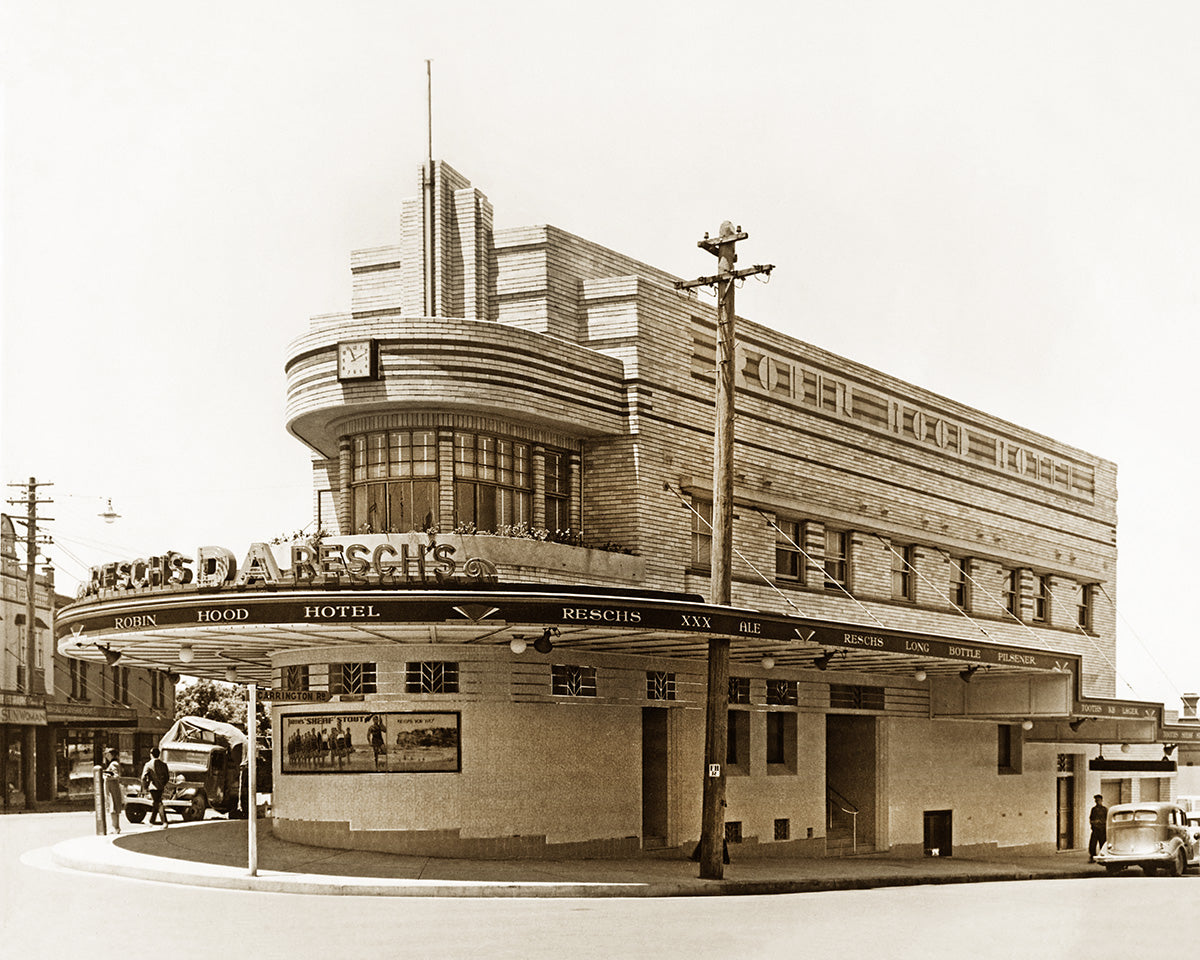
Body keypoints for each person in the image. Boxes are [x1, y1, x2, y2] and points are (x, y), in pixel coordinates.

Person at [141, 746, 171, 828]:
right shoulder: (164, 765)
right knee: (157, 803)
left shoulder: (148, 764)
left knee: (158, 803)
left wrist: (145, 787)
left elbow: (143, 777)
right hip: (161, 787)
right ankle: (152, 821)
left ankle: (163, 822)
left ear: (151, 754)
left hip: (152, 787)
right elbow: (167, 777)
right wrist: (163, 784)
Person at [102, 747, 124, 834]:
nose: (106, 756)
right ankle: (116, 827)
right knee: (113, 808)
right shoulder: (114, 763)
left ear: (111, 755)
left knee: (113, 807)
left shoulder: (113, 764)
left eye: (107, 754)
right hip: (112, 789)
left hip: (112, 789)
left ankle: (115, 827)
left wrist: (107, 777)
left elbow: (116, 776)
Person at [1088, 794, 1108, 861]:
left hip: (1102, 829)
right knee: (1092, 844)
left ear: (1101, 800)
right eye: (1096, 801)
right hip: (1095, 829)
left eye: (1098, 800)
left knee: (1102, 843)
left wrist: (1101, 822)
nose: (1097, 802)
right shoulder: (1093, 809)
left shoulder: (1104, 809)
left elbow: (1107, 819)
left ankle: (1103, 856)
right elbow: (1091, 818)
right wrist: (1093, 823)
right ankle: (1092, 856)